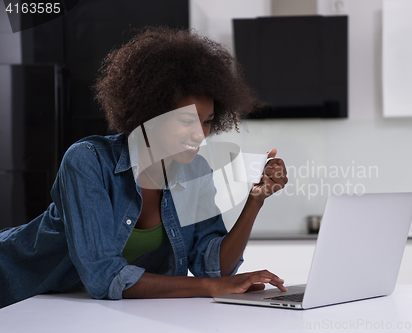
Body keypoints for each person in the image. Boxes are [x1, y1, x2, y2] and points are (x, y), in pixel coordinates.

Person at [0, 27, 288, 308]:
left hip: (80, 309)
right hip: (16, 289)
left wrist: (255, 200)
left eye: (207, 121)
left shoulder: (196, 170)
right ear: (151, 115)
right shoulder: (88, 161)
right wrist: (209, 287)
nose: (200, 135)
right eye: (187, 121)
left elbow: (214, 268)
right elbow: (105, 276)